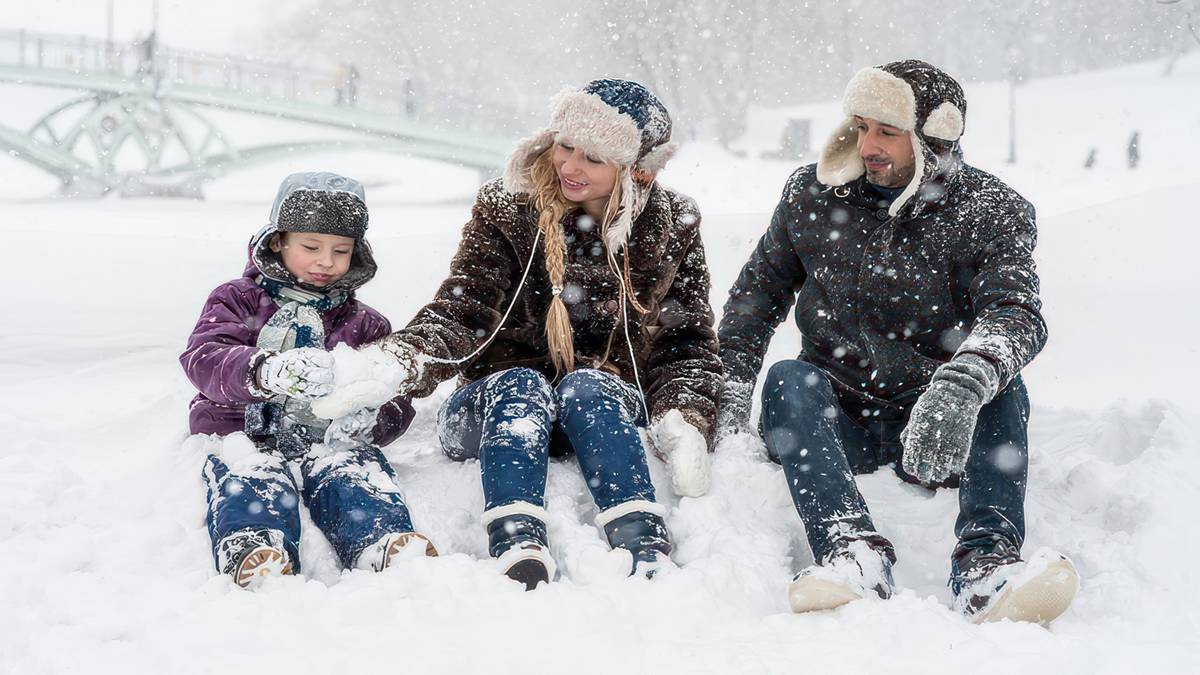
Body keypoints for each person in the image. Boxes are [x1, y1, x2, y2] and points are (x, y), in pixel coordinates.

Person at [717, 60, 1078, 624]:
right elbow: (754, 299)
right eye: (860, 126)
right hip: (838, 418)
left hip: (939, 427)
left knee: (1001, 385)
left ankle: (987, 565)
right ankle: (851, 552)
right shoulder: (810, 195)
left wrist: (960, 387)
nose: (868, 145)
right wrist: (731, 388)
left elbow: (1016, 313)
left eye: (888, 131)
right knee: (789, 380)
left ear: (933, 138)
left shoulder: (990, 210)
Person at [360, 79, 721, 589]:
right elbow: (463, 309)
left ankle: (642, 539)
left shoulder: (671, 225)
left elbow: (686, 341)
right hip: (494, 409)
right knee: (520, 386)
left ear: (635, 171)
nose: (569, 166)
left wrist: (687, 416)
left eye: (593, 158)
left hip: (599, 411)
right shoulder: (507, 208)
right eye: (565, 145)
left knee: (588, 386)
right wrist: (399, 360)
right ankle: (517, 537)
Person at [181, 171, 436, 589]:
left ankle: (380, 540)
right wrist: (264, 370)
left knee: (353, 471)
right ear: (278, 240)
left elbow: (395, 395)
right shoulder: (237, 299)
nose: (326, 261)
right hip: (238, 429)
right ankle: (253, 543)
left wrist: (373, 418)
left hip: (326, 438)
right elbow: (204, 357)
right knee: (250, 475)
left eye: (341, 250)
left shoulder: (365, 324)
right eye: (311, 247)